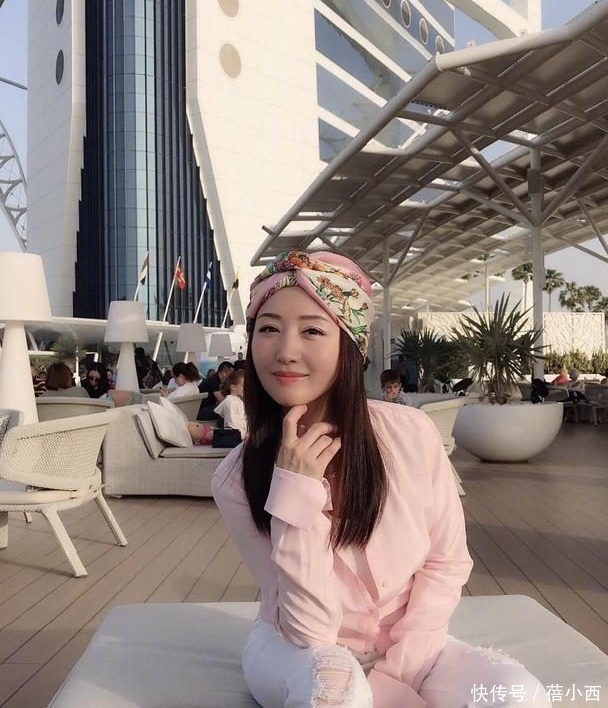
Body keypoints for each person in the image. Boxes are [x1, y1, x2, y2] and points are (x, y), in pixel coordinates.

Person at [212, 250, 550, 708]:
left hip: (413, 645)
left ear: (352, 345)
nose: (286, 350)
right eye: (268, 328)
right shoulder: (237, 476)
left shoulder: (409, 434)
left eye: (312, 330)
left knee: (517, 695)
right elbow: (309, 629)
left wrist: (398, 673)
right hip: (293, 650)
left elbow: (446, 562)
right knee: (336, 691)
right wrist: (294, 490)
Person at [214, 369, 247, 438]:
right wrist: (246, 434)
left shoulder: (238, 400)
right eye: (243, 386)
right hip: (236, 437)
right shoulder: (230, 402)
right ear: (233, 387)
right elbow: (232, 425)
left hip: (242, 434)